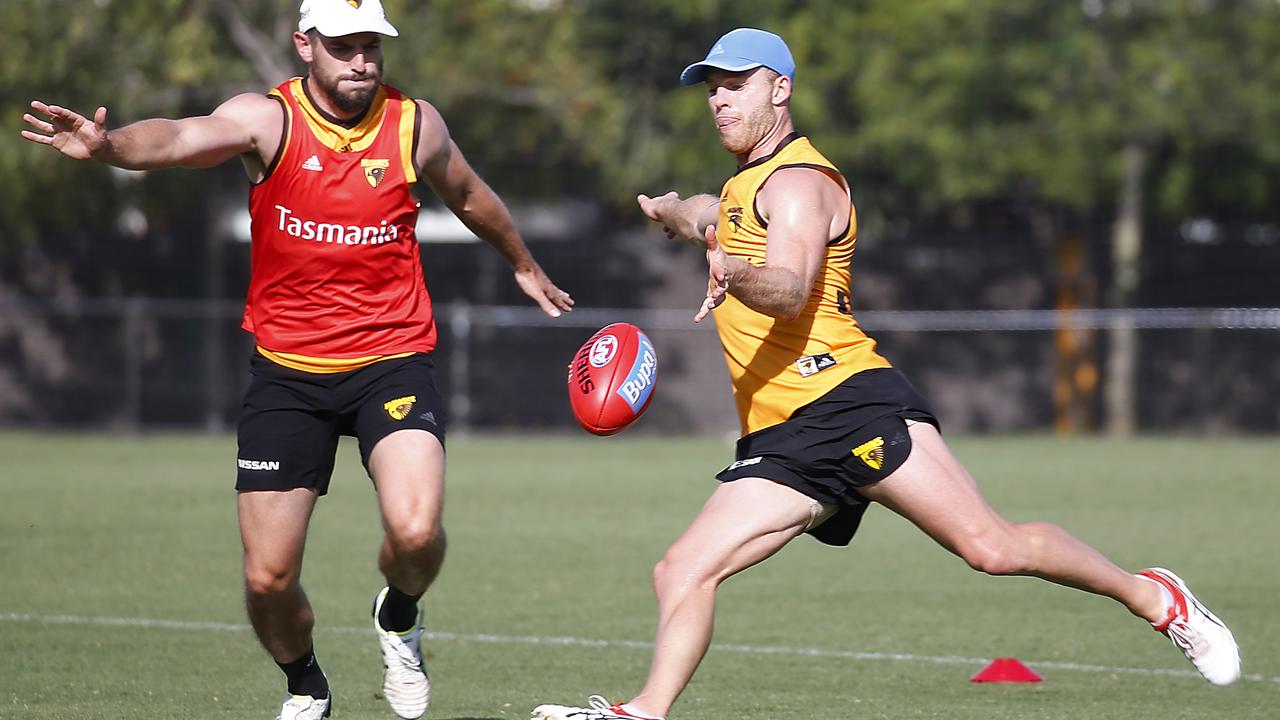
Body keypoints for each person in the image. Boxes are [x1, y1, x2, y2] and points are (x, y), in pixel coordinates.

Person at [531, 28, 1239, 720]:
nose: (720, 100)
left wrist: (735, 271)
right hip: (783, 438)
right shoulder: (745, 187)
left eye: (736, 85)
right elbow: (707, 215)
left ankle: (1155, 598)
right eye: (712, 89)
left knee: (991, 548)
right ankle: (643, 713)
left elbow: (790, 286)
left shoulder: (802, 184)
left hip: (849, 402)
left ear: (781, 90)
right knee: (682, 570)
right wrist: (671, 211)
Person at [22, 1, 573, 719]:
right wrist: (109, 146)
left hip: (392, 358)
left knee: (415, 531)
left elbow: (467, 193)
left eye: (371, 46)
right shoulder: (267, 120)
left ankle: (400, 613)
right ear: (304, 45)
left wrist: (521, 262)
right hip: (288, 374)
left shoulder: (414, 123)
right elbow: (185, 136)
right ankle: (307, 683)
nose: (362, 61)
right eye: (344, 46)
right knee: (267, 579)